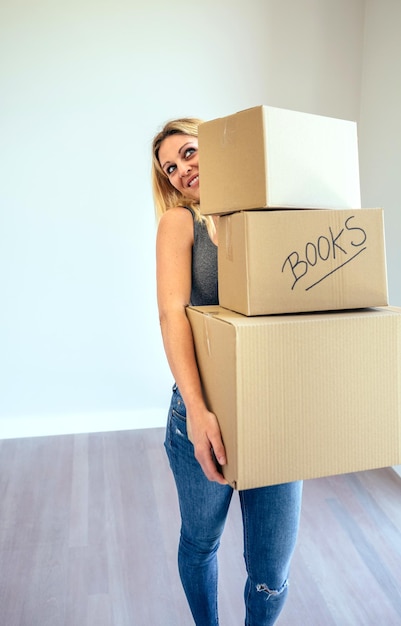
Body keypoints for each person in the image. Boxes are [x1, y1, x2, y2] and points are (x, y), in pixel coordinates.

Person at [151, 117, 303, 626]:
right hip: (203, 413)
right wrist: (196, 412)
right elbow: (173, 315)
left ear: (214, 145)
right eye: (170, 167)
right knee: (199, 543)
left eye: (189, 153)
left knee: (272, 572)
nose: (180, 171)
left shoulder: (268, 212)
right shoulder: (180, 223)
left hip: (273, 414)